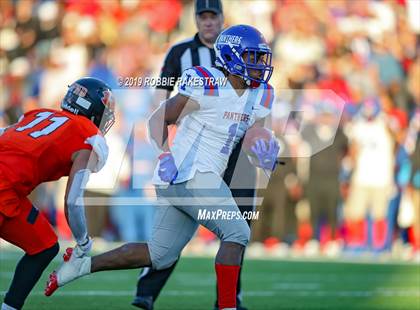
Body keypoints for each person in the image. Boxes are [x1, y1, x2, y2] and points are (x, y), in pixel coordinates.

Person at [45, 24, 278, 310]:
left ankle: (79, 266)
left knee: (159, 255)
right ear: (231, 56)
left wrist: (265, 147)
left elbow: (253, 132)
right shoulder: (208, 84)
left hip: (189, 181)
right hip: (190, 174)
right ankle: (227, 307)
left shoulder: (260, 94)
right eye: (253, 58)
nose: (260, 66)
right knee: (237, 233)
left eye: (261, 58)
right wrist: (165, 154)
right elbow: (158, 118)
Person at [134, 1, 257, 309]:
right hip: (194, 148)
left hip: (232, 146)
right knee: (176, 228)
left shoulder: (243, 47)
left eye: (212, 15)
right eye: (202, 16)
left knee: (237, 224)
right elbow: (162, 94)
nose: (208, 22)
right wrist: (164, 137)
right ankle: (147, 291)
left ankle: (229, 297)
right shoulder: (180, 53)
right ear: (196, 20)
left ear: (221, 18)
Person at [0, 77, 116, 310]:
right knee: (44, 246)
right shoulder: (88, 135)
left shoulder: (38, 114)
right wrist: (83, 242)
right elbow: (73, 201)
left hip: (10, 191)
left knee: (44, 244)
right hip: (5, 188)